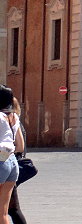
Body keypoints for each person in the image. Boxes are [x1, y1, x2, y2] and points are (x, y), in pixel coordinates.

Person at [0, 86, 23, 224]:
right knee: (2, 212)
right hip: (12, 162)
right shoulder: (14, 117)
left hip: (1, 161)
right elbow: (20, 146)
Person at [6, 98, 24, 224]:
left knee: (8, 210)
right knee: (13, 209)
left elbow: (19, 146)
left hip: (6, 163)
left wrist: (3, 156)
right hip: (13, 164)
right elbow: (21, 147)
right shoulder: (16, 121)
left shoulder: (9, 121)